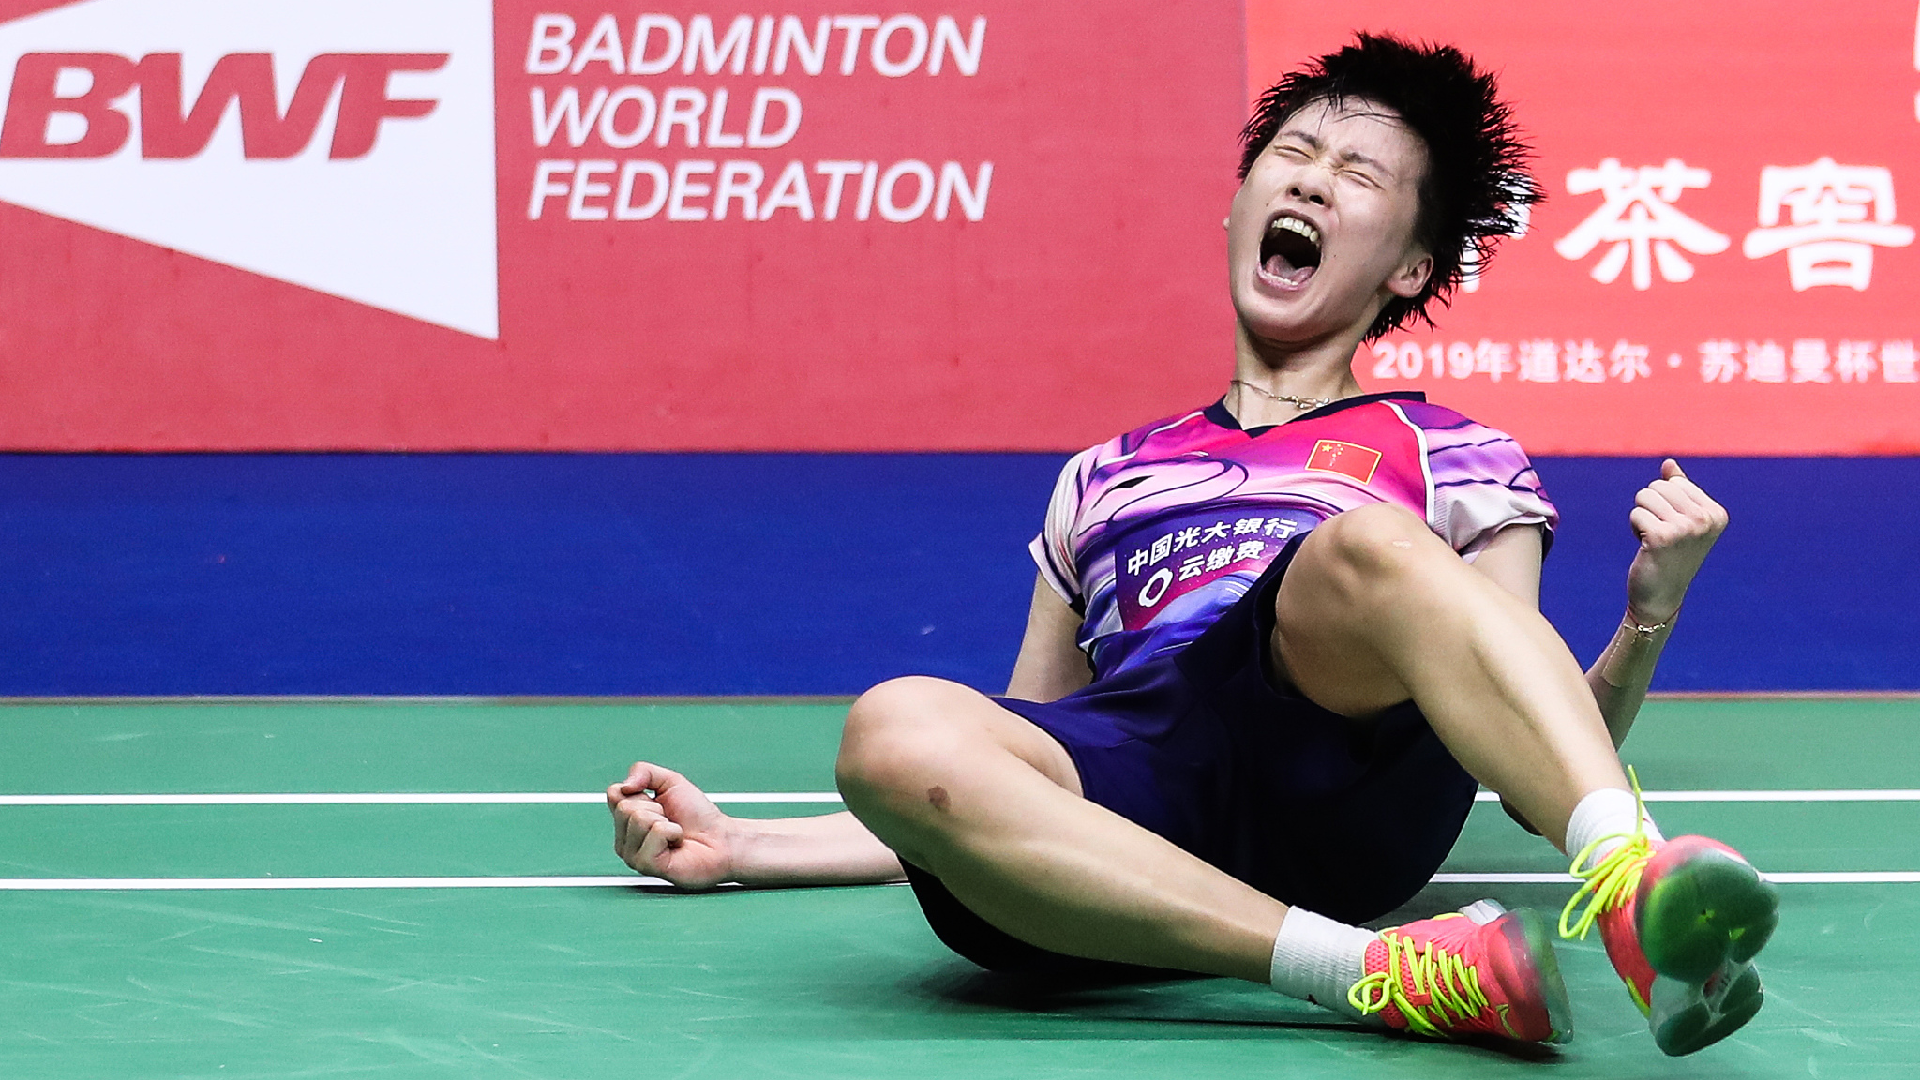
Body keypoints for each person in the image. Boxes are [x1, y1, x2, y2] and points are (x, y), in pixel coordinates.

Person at [607, 34, 1776, 1057]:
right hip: (1142, 800)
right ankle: (1377, 975)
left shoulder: (1455, 454)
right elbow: (1010, 771)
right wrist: (744, 844)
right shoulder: (1104, 475)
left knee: (1370, 549)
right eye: (1295, 155)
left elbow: (1523, 749)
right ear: (1237, 208)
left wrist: (1647, 619)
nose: (1311, 178)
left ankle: (1631, 884)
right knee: (894, 724)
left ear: (1412, 268)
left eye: (1358, 173)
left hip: (1339, 772)